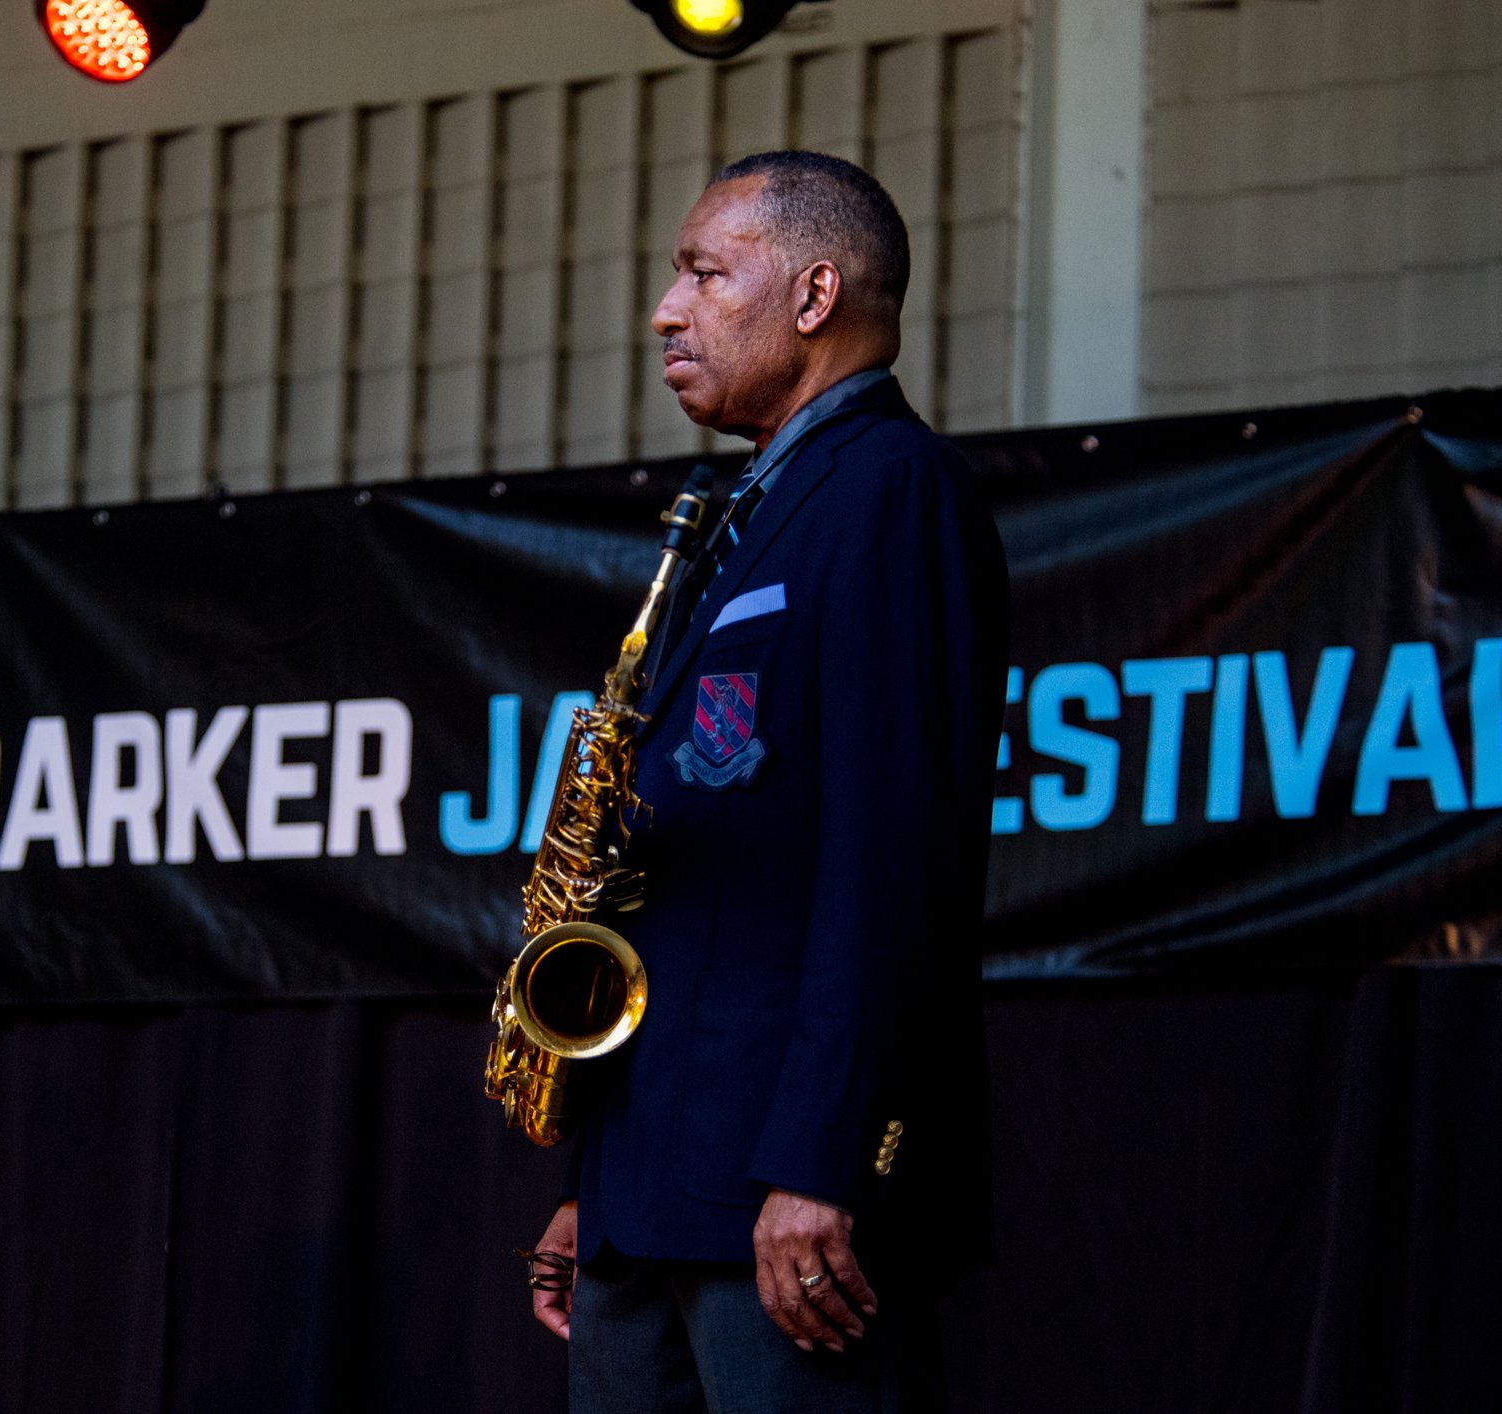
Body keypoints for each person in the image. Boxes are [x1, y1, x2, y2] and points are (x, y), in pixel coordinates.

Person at [523, 150, 1010, 1413]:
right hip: (652, 1195)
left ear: (812, 295)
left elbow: (896, 857)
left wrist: (827, 1163)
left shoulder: (893, 489)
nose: (664, 310)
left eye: (701, 272)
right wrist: (596, 1176)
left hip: (783, 1201)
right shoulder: (739, 509)